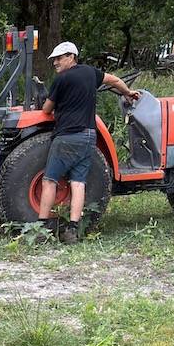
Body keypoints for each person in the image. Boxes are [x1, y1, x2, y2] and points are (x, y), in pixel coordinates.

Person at [38, 41, 139, 243]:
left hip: (67, 137)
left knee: (49, 180)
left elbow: (46, 109)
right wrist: (128, 93)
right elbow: (115, 81)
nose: (55, 63)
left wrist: (49, 104)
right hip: (88, 136)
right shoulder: (91, 73)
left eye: (59, 58)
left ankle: (41, 229)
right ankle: (72, 230)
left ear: (71, 57)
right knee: (78, 182)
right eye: (54, 59)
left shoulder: (62, 79)